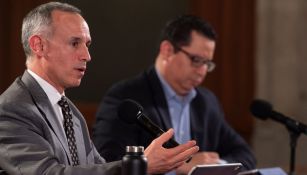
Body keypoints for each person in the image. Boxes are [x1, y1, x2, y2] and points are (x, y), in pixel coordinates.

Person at [0, 2, 199, 175]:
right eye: (75, 43)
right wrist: (138, 166)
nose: (87, 55)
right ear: (39, 46)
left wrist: (144, 166)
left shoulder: (71, 112)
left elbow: (99, 168)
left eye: (87, 44)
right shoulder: (10, 110)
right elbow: (46, 172)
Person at [93, 15, 257, 175]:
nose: (202, 71)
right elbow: (109, 163)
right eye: (196, 60)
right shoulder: (126, 98)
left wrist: (215, 166)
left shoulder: (206, 102)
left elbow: (245, 154)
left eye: (207, 64)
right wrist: (174, 168)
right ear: (168, 50)